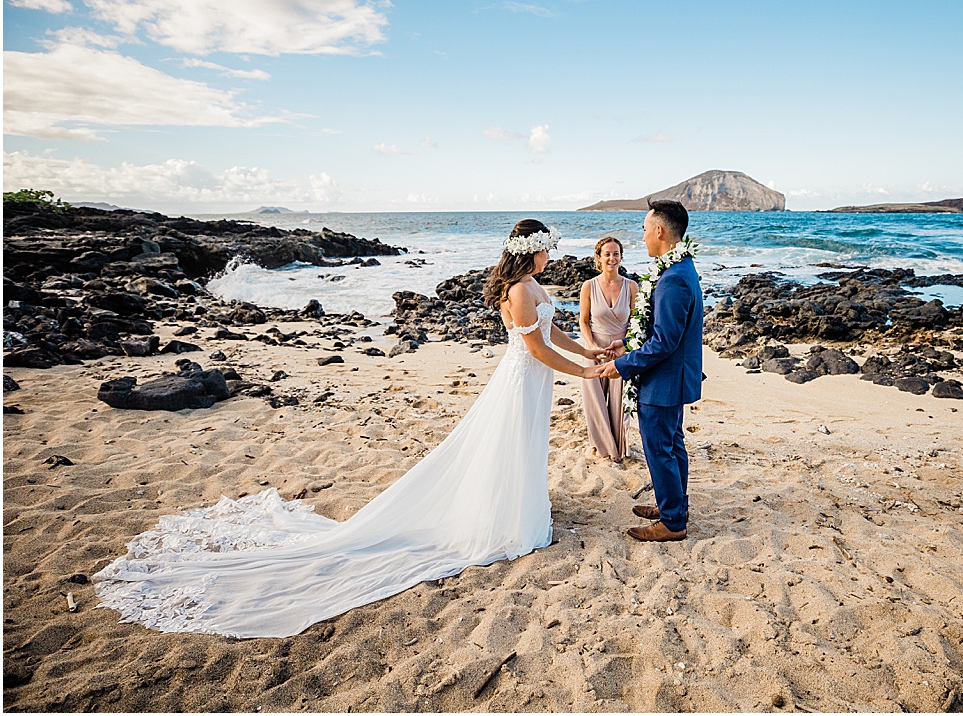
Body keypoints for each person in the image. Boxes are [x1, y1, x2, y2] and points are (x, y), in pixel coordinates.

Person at [93, 220, 606, 638]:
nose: (549, 257)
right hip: (521, 379)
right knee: (509, 446)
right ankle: (505, 521)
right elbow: (536, 349)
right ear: (529, 252)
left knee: (524, 447)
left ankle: (519, 510)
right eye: (545, 250)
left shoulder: (536, 286)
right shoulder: (517, 290)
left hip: (535, 381)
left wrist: (590, 349)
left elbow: (554, 332)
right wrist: (585, 372)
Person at [597, 200, 702, 542]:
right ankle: (674, 506)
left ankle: (672, 522)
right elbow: (658, 332)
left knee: (660, 448)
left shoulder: (673, 280)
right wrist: (626, 345)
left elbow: (663, 343)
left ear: (659, 230)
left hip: (664, 381)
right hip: (672, 377)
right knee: (672, 445)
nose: (642, 237)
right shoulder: (680, 269)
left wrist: (621, 366)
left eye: (644, 229)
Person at [578, 236, 637, 462]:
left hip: (621, 354)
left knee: (619, 403)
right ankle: (602, 447)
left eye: (616, 254)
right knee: (595, 403)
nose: (612, 258)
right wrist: (592, 347)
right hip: (594, 353)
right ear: (598, 258)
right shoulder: (588, 286)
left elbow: (638, 323)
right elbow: (583, 321)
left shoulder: (631, 286)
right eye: (607, 254)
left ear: (621, 257)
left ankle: (618, 448)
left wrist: (625, 345)